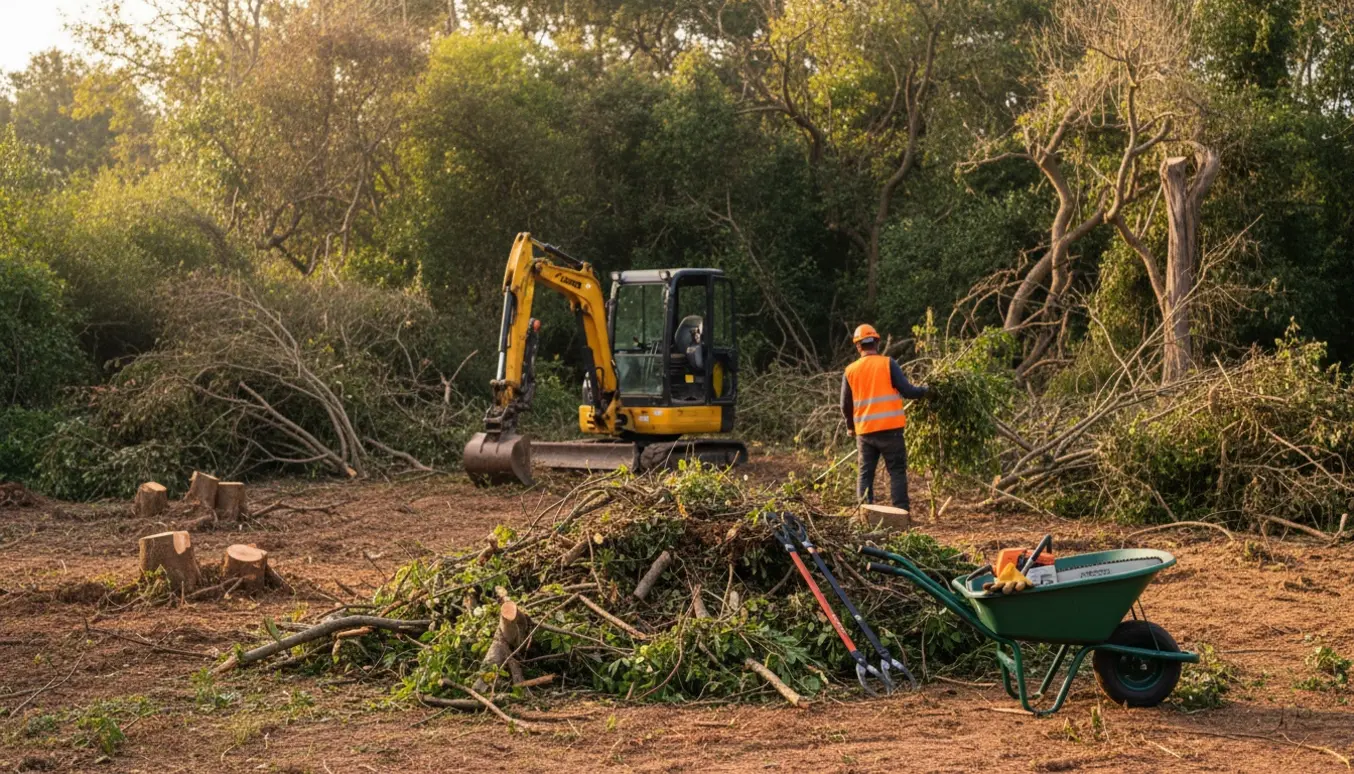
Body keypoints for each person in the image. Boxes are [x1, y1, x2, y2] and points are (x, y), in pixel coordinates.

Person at [840, 324, 930, 510]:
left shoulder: (850, 370)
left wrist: (851, 426)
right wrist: (926, 391)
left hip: (865, 433)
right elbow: (908, 391)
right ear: (877, 342)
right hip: (891, 431)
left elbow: (844, 405)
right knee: (896, 472)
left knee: (865, 475)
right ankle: (901, 514)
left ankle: (865, 515)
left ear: (858, 346)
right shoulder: (888, 363)